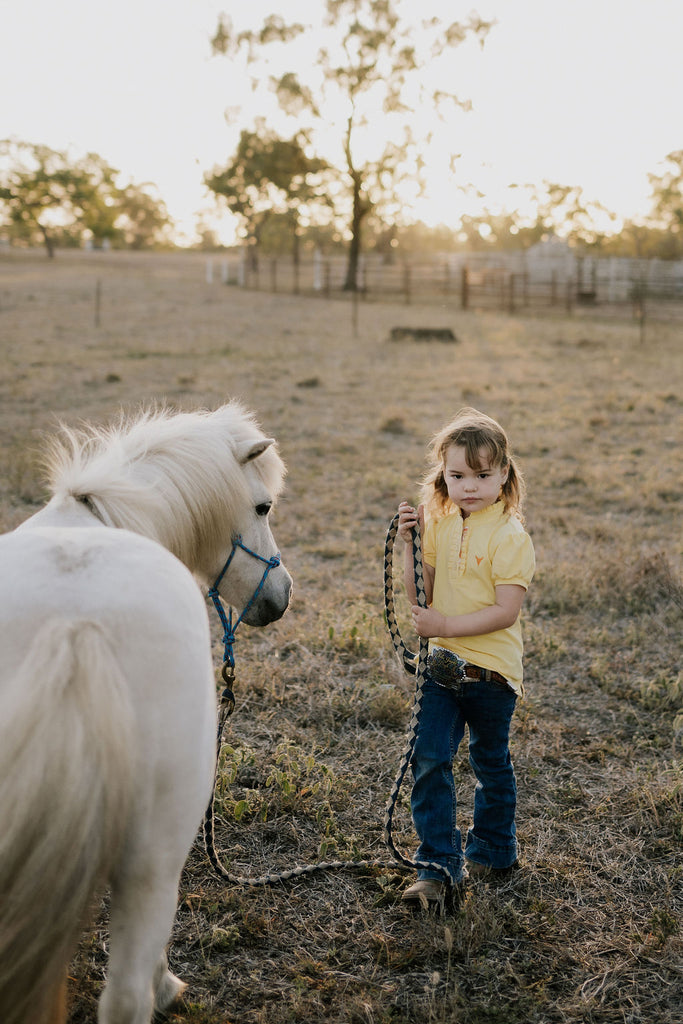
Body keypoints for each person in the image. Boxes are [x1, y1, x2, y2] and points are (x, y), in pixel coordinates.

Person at [397, 407, 535, 908]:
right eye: (457, 476)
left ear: (504, 476)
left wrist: (445, 627)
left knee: (489, 762)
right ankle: (436, 868)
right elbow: (423, 592)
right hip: (440, 669)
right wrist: (410, 543)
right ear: (444, 477)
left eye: (481, 475)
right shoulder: (439, 524)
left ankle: (495, 848)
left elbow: (505, 611)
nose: (469, 486)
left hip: (492, 676)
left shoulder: (510, 537)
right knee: (430, 757)